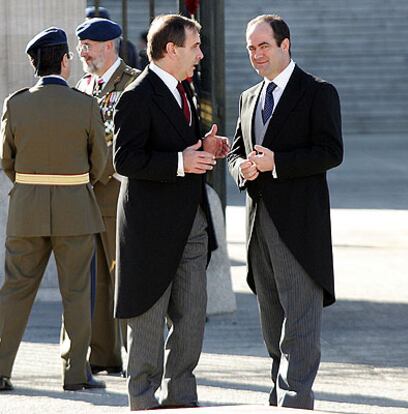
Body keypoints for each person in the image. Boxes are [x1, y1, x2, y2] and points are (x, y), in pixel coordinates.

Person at [227, 14, 343, 409]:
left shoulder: (317, 92)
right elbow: (238, 151)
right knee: (271, 320)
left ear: (285, 45)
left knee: (300, 320)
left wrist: (277, 163)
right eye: (251, 48)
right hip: (258, 225)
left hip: (299, 226)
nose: (257, 55)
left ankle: (296, 397)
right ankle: (280, 391)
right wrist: (239, 167)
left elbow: (331, 152)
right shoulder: (247, 97)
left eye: (264, 46)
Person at [113, 14, 228, 411]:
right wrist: (180, 162)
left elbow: (179, 147)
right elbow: (124, 159)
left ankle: (181, 396)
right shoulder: (136, 95)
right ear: (170, 49)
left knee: (192, 316)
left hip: (192, 223)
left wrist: (203, 147)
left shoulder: (186, 91)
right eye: (195, 46)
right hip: (150, 228)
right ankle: (142, 400)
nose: (201, 53)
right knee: (146, 318)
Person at [0, 27, 107, 391]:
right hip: (75, 208)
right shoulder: (85, 105)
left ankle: (0, 370)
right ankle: (75, 374)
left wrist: (33, 184)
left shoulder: (15, 104)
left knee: (14, 291)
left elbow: (6, 161)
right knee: (76, 293)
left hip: (26, 208)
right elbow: (101, 164)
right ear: (64, 61)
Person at [74, 17, 140, 376]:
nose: (83, 52)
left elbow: (123, 136)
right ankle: (103, 355)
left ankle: (136, 354)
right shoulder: (83, 83)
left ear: (109, 45)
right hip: (87, 191)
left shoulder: (132, 81)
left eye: (89, 45)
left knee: (123, 273)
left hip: (117, 188)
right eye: (81, 45)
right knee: (95, 276)